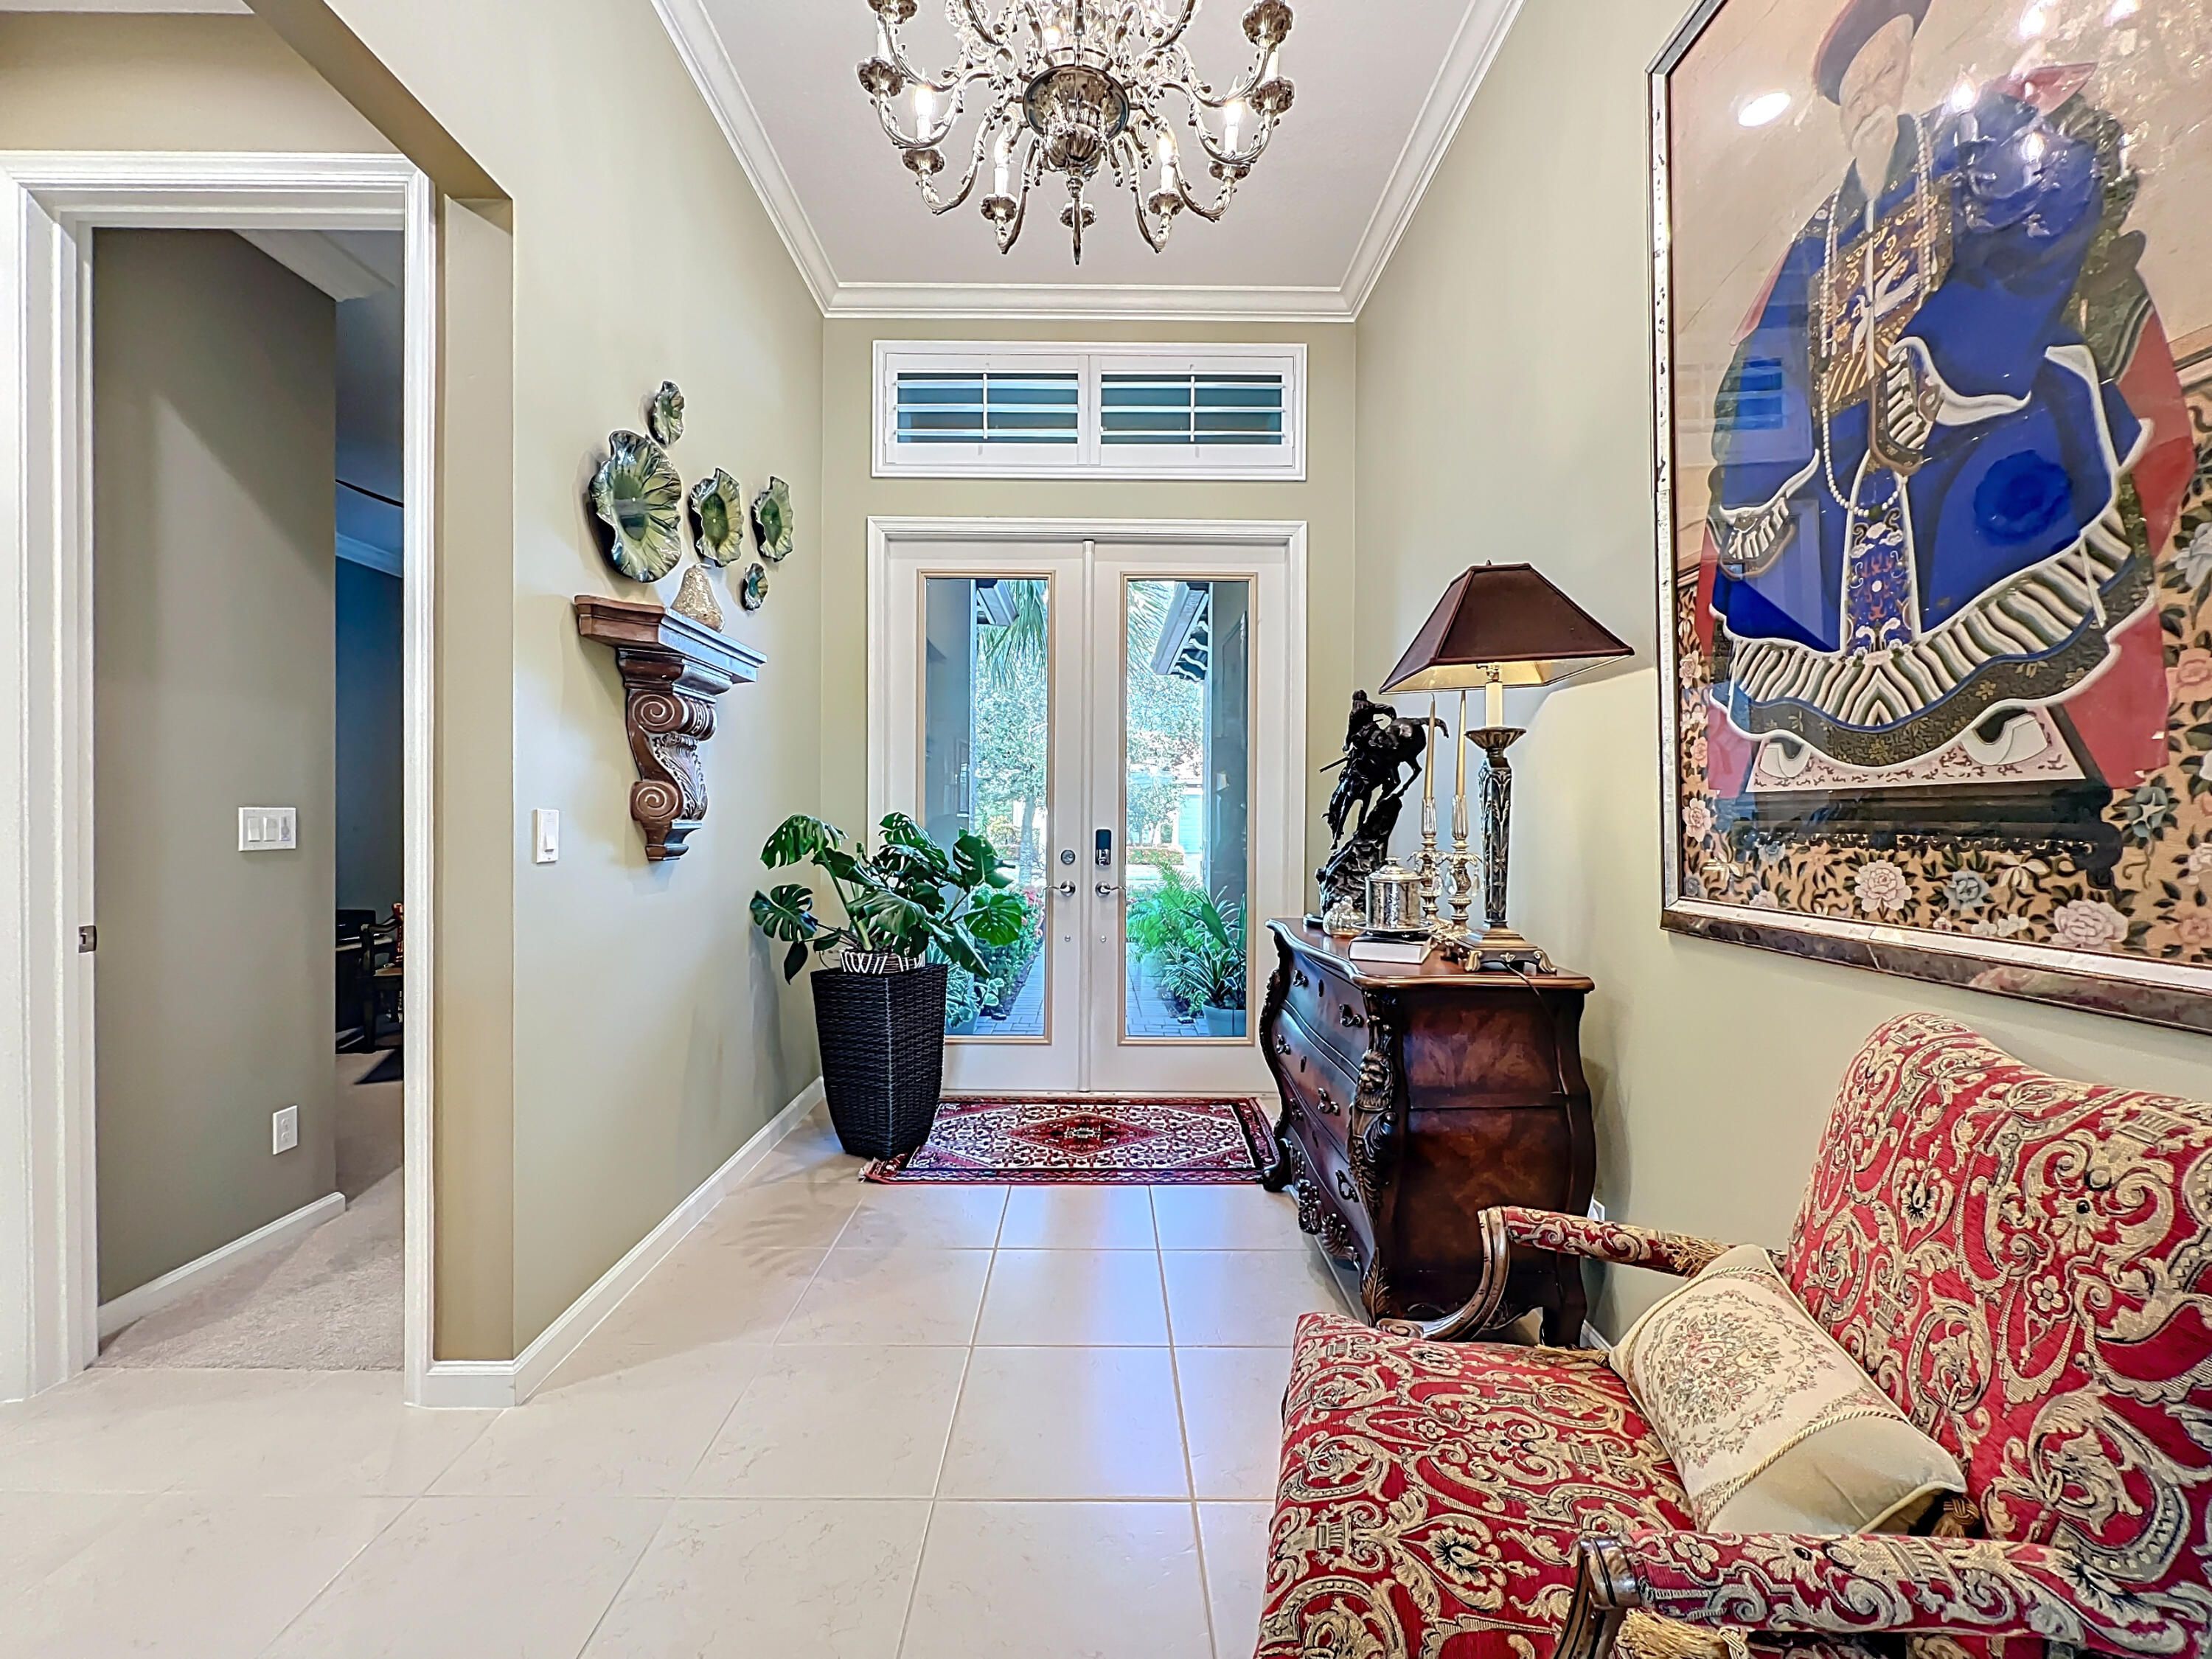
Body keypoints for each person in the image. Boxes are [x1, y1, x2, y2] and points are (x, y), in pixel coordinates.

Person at [1700, 0, 2179, 789]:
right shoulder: (1818, 233)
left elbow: (2052, 198)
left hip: (1970, 390)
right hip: (1834, 440)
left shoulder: (1971, 140)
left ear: (1907, 67)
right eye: (1856, 84)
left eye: (1884, 70)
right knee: (1791, 542)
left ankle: (2002, 709)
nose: (1871, 94)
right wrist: (1757, 483)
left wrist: (1939, 363)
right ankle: (1813, 739)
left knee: (1997, 468)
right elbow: (1768, 360)